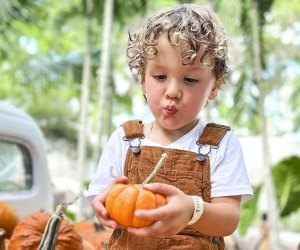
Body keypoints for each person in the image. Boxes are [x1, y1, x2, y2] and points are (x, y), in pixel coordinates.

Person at [88, 3, 253, 250]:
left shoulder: (220, 144)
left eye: (190, 79)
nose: (173, 91)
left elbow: (229, 219)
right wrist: (103, 208)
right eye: (160, 77)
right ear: (143, 78)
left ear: (214, 86)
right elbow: (102, 199)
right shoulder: (125, 139)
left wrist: (192, 209)